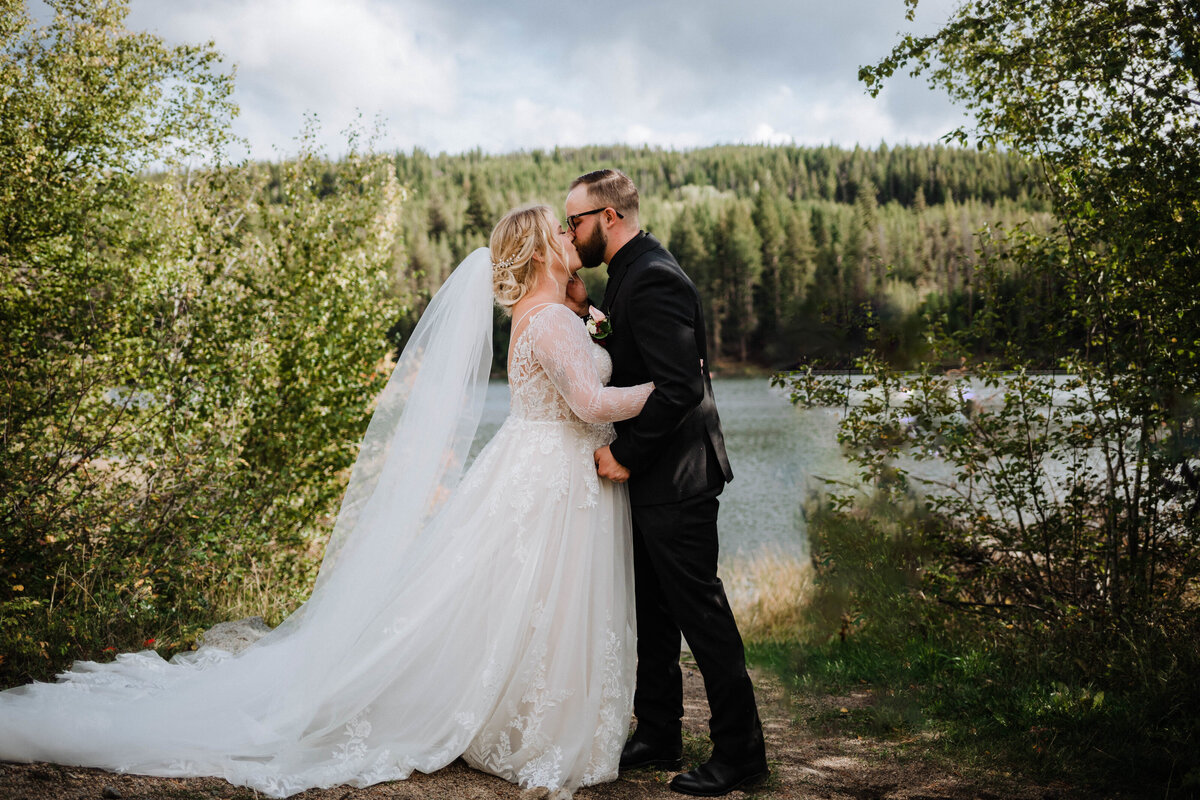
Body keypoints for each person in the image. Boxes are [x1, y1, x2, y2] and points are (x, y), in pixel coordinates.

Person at [0, 205, 654, 799]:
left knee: (523, 598)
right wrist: (669, 388)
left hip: (544, 466)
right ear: (542, 247)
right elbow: (593, 403)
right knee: (540, 596)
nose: (574, 241)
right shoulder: (551, 322)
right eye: (562, 232)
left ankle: (521, 712)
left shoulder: (541, 317)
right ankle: (533, 725)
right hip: (552, 473)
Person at [564, 169, 768, 797]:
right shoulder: (629, 273)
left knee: (700, 614)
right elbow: (639, 356)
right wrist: (590, 319)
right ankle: (658, 731)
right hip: (658, 477)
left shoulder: (652, 275)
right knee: (652, 612)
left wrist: (624, 453)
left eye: (576, 221)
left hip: (676, 477)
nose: (571, 234)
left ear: (609, 217)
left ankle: (742, 754)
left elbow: (680, 385)